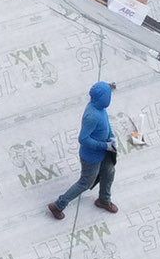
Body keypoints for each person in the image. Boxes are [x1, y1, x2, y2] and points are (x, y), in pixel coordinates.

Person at [47, 81, 120, 218]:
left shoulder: (101, 108)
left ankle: (104, 200)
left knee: (109, 171)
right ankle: (58, 205)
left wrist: (111, 136)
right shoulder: (92, 116)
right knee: (85, 183)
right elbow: (83, 139)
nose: (110, 98)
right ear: (102, 98)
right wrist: (104, 145)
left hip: (104, 152)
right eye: (108, 95)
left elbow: (106, 123)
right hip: (91, 157)